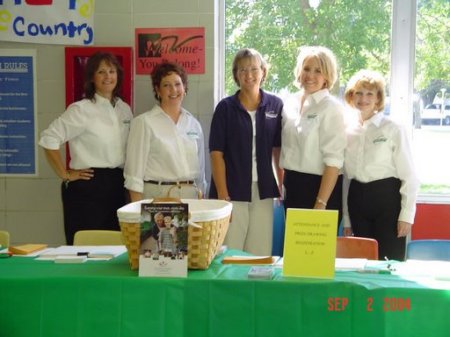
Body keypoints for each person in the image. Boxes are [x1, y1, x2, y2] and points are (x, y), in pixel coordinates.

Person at [39, 51, 132, 245]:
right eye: (101, 72)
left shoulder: (124, 109)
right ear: (92, 77)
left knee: (115, 245)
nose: (108, 76)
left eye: (112, 71)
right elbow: (49, 138)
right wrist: (65, 174)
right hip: (88, 184)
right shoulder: (81, 109)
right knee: (84, 245)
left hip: (117, 183)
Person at [209, 48, 283, 256]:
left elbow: (278, 150)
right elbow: (216, 154)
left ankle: (257, 289)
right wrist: (223, 194)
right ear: (235, 75)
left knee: (259, 252)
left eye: (254, 69)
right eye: (242, 70)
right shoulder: (225, 108)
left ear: (263, 72)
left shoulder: (275, 105)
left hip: (263, 190)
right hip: (231, 191)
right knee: (231, 251)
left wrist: (281, 183)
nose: (249, 75)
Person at [342, 69, 419, 260]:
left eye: (370, 93)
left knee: (389, 263)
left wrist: (406, 215)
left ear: (378, 98)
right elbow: (346, 179)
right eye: (358, 93)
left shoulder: (393, 129)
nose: (363, 98)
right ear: (351, 96)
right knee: (362, 262)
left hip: (388, 201)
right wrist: (347, 218)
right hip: (357, 200)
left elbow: (410, 176)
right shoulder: (347, 131)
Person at [280, 46, 346, 227]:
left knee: (315, 253)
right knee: (295, 252)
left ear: (327, 76)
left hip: (320, 189)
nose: (310, 75)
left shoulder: (331, 108)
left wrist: (321, 203)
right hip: (292, 186)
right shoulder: (289, 103)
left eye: (318, 71)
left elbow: (334, 161)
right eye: (307, 69)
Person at [124, 62, 206, 201]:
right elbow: (134, 176)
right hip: (158, 197)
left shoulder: (193, 124)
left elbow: (201, 171)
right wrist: (137, 213)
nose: (173, 90)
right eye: (166, 85)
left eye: (178, 84)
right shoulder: (144, 122)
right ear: (158, 90)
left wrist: (202, 199)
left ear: (184, 87)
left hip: (191, 196)